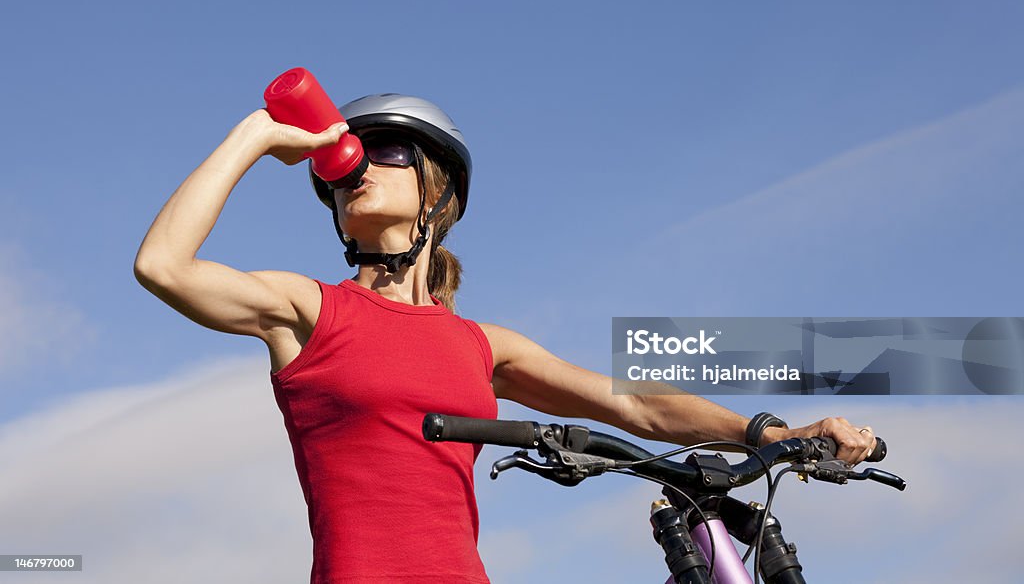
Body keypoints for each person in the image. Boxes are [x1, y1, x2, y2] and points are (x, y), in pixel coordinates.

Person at [134, 93, 878, 584]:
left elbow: (638, 409)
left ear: (437, 189)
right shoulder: (308, 309)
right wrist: (258, 134)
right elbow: (163, 266)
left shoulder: (480, 345)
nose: (356, 166)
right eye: (346, 163)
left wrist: (778, 430)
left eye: (388, 150)